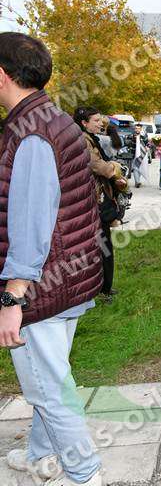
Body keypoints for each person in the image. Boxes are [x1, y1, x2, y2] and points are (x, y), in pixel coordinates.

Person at [0, 31, 104, 486]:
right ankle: (43, 455)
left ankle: (85, 473)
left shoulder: (31, 133)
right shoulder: (54, 119)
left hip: (42, 286)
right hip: (69, 279)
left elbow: (32, 221)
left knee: (48, 389)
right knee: (50, 379)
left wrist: (12, 297)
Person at [74, 106, 127, 303]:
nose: (100, 123)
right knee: (99, 245)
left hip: (98, 197)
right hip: (94, 200)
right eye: (95, 121)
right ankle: (99, 289)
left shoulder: (90, 138)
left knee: (103, 243)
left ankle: (104, 287)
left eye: (100, 120)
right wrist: (114, 171)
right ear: (84, 123)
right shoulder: (82, 140)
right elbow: (95, 164)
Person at [130, 123, 150, 188]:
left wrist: (147, 147)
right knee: (135, 167)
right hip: (134, 154)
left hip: (142, 154)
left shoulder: (144, 135)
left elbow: (147, 143)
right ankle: (137, 182)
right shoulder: (133, 135)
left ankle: (137, 181)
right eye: (136, 128)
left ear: (141, 129)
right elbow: (131, 143)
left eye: (138, 128)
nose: (137, 130)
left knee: (140, 167)